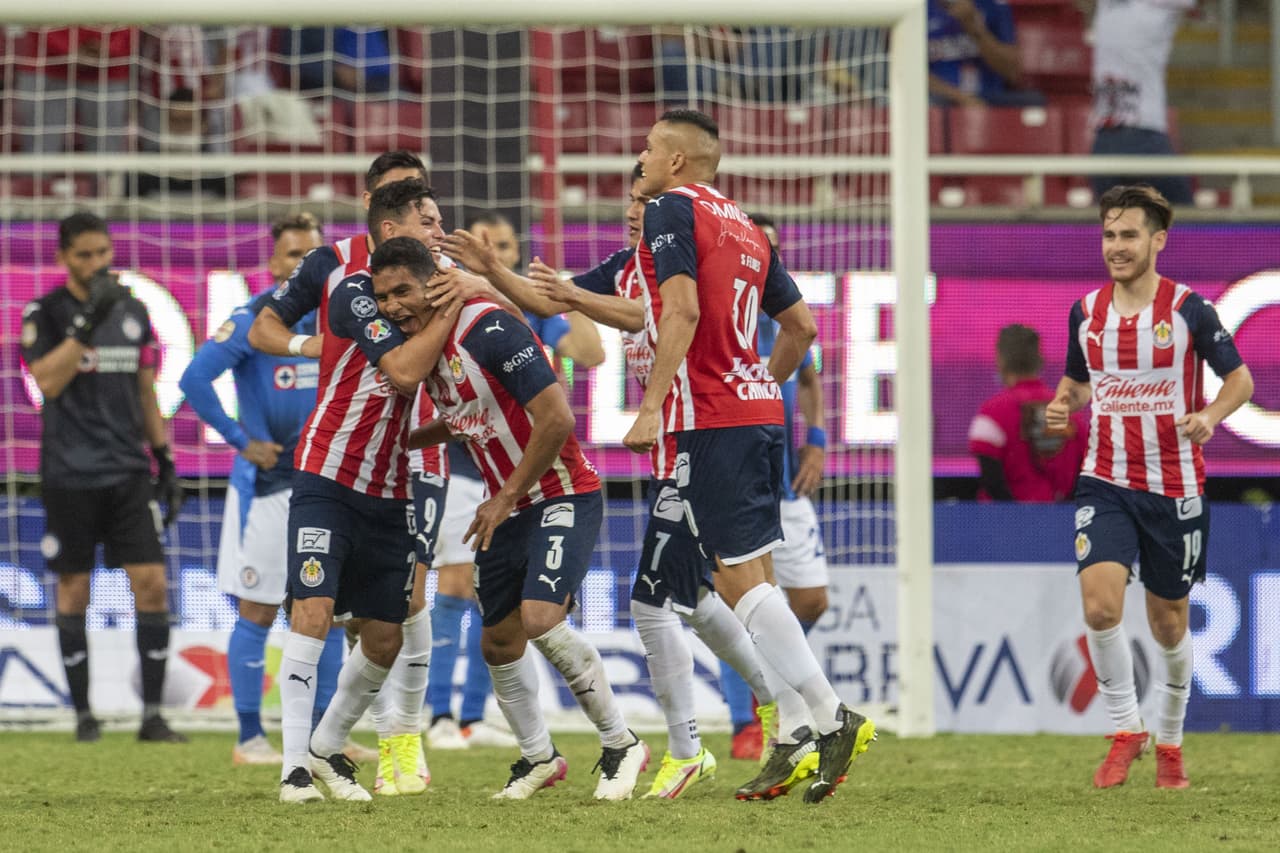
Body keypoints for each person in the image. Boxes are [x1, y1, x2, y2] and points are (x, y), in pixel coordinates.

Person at [626, 109, 875, 804]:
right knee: (753, 576)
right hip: (760, 411)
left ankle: (831, 714)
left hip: (711, 416)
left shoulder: (669, 209)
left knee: (736, 580)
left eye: (648, 148)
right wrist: (760, 377)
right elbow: (802, 326)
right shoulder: (741, 222)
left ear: (677, 160)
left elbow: (680, 310)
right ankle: (794, 730)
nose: (639, 158)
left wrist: (650, 406)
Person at [517, 166, 787, 800]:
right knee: (696, 598)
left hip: (704, 442)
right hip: (678, 452)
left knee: (649, 602)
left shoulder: (680, 270)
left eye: (648, 199)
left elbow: (639, 314)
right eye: (632, 200)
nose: (637, 209)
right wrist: (487, 277)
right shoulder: (622, 264)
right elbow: (550, 300)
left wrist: (743, 398)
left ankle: (692, 747)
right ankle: (778, 707)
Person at [374, 236, 650, 801]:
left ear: (432, 284)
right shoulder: (429, 348)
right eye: (382, 297)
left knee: (540, 617)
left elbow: (555, 419)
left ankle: (622, 743)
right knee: (498, 642)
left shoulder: (488, 329)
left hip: (562, 493)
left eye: (402, 290)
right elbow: (467, 417)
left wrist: (504, 497)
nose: (392, 306)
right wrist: (400, 439)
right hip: (508, 505)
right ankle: (538, 757)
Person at [249, 178, 465, 803]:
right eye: (427, 220)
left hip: (395, 484)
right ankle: (293, 768)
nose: (438, 230)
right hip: (328, 473)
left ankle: (327, 747)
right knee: (312, 609)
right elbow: (401, 372)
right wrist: (451, 306)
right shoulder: (353, 292)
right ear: (393, 228)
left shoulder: (436, 294)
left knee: (384, 633)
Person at [1045, 184, 1253, 789]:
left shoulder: (1190, 311)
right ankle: (1124, 729)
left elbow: (1241, 381)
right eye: (1109, 235)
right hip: (1103, 478)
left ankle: (1169, 745)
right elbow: (1078, 384)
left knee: (1168, 623)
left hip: (1174, 486)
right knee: (1100, 605)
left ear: (1158, 241)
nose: (1117, 247)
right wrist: (1064, 403)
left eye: (1129, 235)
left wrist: (1210, 416)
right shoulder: (1086, 313)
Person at [179, 213, 346, 765]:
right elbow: (193, 380)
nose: (302, 264)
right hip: (269, 487)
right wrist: (239, 439)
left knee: (326, 609)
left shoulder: (338, 318)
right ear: (274, 265)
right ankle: (249, 738)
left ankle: (325, 738)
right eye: (292, 255)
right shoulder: (251, 318)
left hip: (327, 480)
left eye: (311, 254)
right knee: (257, 608)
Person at [19, 212, 186, 744]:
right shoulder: (44, 313)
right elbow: (46, 379)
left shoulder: (133, 309)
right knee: (74, 589)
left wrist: (165, 457)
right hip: (69, 474)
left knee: (153, 584)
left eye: (102, 253)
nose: (96, 264)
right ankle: (85, 716)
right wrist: (86, 324)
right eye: (84, 255)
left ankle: (153, 717)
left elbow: (145, 392)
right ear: (64, 256)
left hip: (128, 471)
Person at [718, 213, 833, 763]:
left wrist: (816, 439)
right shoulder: (723, 318)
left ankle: (786, 689)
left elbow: (808, 380)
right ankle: (752, 717)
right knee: (737, 599)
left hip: (785, 487)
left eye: (776, 252)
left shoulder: (787, 320)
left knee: (810, 601)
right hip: (741, 485)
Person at [1081, 0, 1195, 205]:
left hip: (1103, 143)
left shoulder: (1106, 5)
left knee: (1118, 230)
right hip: (1143, 137)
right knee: (1191, 226)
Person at [969, 323, 1090, 502]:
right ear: (1040, 359)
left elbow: (992, 482)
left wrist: (1020, 519)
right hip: (1060, 525)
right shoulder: (1072, 414)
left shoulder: (992, 415)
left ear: (1000, 360)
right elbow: (1084, 475)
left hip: (1000, 526)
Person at [927, 0, 1024, 106]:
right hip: (941, 98)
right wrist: (960, 97)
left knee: (1032, 103)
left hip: (990, 98)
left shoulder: (994, 5)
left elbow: (1011, 72)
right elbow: (910, 73)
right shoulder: (917, 6)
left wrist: (972, 24)